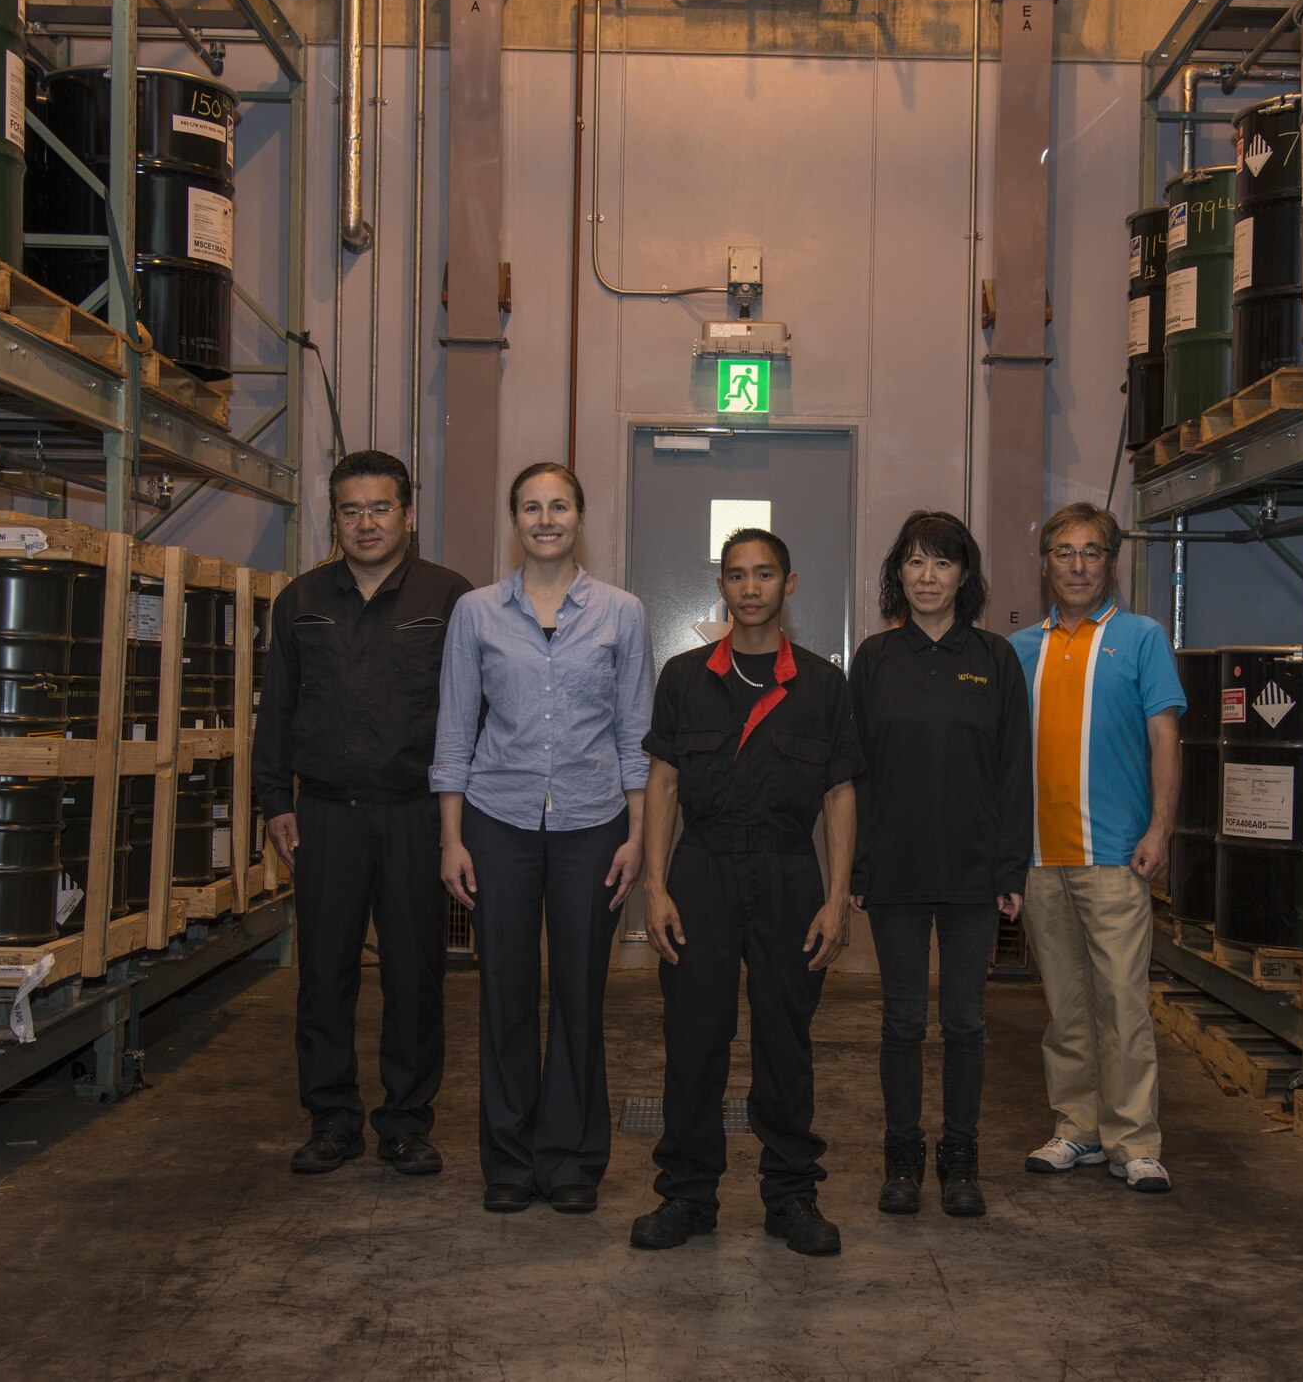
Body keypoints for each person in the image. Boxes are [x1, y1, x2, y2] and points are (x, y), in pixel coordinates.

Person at [630, 528, 864, 1257]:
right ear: (722, 587)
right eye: (737, 575)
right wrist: (656, 886)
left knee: (784, 1042)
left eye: (765, 574)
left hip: (789, 873)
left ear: (789, 584)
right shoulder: (684, 676)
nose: (751, 587)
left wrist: (836, 898)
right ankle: (687, 1196)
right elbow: (663, 783)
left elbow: (840, 793)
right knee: (693, 1038)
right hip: (700, 870)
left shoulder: (824, 684)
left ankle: (792, 1195)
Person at [432, 462, 654, 1216]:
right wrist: (451, 838)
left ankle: (571, 1160)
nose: (545, 517)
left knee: (581, 995)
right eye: (531, 506)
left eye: (559, 504)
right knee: (505, 993)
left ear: (579, 516)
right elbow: (456, 728)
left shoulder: (622, 613)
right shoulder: (476, 613)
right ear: (514, 519)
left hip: (595, 825)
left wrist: (639, 838)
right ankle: (509, 1157)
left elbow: (636, 735)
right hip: (497, 821)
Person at [254, 450, 472, 1176]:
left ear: (407, 514)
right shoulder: (301, 600)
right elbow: (276, 708)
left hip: (416, 814)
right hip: (324, 815)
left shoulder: (449, 599)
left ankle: (407, 1121)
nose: (366, 523)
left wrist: (461, 819)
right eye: (351, 510)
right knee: (324, 972)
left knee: (416, 974)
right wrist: (273, 799)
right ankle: (333, 1118)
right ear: (335, 517)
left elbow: (474, 712)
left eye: (381, 508)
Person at [847, 510, 1031, 1218]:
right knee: (900, 1022)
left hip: (972, 874)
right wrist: (855, 866)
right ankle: (901, 1158)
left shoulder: (994, 659)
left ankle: (960, 1158)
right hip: (891, 873)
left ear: (965, 575)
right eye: (915, 562)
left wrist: (1009, 870)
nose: (927, 576)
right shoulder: (874, 659)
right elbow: (852, 773)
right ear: (898, 573)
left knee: (964, 1022)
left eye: (942, 563)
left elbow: (1014, 772)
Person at [1009, 502, 1183, 1193]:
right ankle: (1076, 1129)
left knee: (1122, 1002)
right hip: (1041, 856)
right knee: (1066, 1005)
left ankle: (1134, 1140)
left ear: (1110, 562)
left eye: (1091, 552)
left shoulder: (1142, 638)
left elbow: (1165, 737)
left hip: (1115, 855)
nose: (1077, 565)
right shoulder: (1021, 647)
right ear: (1046, 564)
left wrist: (1160, 828)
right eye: (1063, 552)